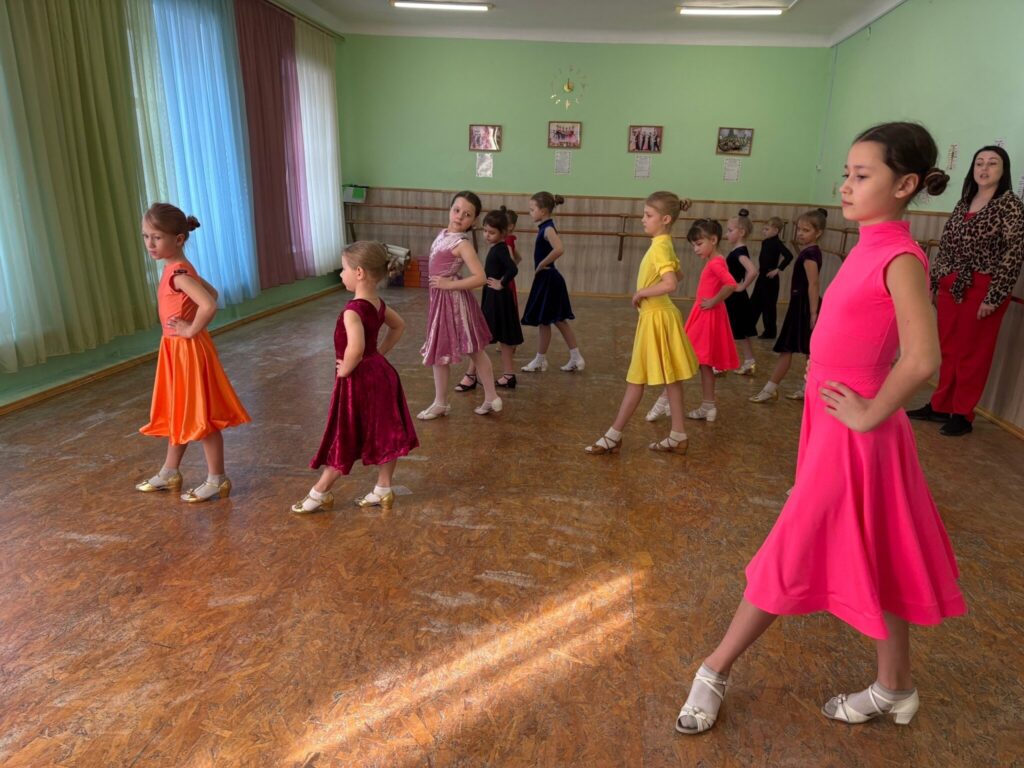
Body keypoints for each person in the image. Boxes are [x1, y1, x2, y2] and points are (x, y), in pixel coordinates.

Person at [675, 122, 965, 735]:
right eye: (846, 174)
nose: (845, 185)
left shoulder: (901, 258)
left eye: (862, 175)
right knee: (881, 555)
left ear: (905, 185)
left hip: (859, 434)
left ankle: (714, 669)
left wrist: (867, 412)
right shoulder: (866, 245)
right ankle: (895, 687)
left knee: (789, 546)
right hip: (832, 424)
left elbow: (923, 359)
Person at [291, 242, 419, 514]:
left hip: (360, 381)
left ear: (359, 272)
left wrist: (346, 369)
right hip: (382, 375)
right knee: (387, 432)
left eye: (343, 269)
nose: (341, 274)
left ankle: (320, 492)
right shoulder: (378, 304)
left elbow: (356, 348)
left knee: (345, 433)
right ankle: (383, 488)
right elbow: (399, 326)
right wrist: (379, 354)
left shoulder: (352, 310)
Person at [906, 145, 1024, 436]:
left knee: (973, 354)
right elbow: (946, 246)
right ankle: (940, 405)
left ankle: (962, 413)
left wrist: (995, 296)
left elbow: (1013, 253)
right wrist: (935, 283)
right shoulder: (964, 202)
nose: (984, 169)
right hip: (951, 284)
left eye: (992, 163)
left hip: (983, 287)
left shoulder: (1010, 204)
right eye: (979, 163)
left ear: (1003, 170)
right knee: (947, 348)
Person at [136, 203, 250, 503]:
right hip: (176, 350)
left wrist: (189, 329)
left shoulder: (178, 274)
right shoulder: (176, 269)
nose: (150, 244)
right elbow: (211, 292)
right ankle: (170, 471)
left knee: (201, 415)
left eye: (157, 237)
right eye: (146, 236)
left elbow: (209, 304)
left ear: (179, 239)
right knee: (180, 411)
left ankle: (217, 479)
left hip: (186, 350)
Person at [584, 192, 698, 455]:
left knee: (637, 378)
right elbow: (678, 273)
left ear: (665, 219)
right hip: (658, 316)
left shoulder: (659, 246)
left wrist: (641, 292)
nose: (643, 219)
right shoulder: (663, 243)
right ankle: (678, 434)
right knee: (671, 379)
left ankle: (613, 435)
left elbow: (671, 283)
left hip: (657, 317)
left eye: (648, 215)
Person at [418, 191, 503, 419]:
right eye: (457, 210)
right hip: (441, 300)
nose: (460, 217)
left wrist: (448, 284)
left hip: (453, 303)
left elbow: (480, 277)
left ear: (473, 221)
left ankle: (443, 402)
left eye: (467, 215)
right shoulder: (443, 234)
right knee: (467, 349)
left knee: (454, 350)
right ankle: (487, 397)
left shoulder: (462, 243)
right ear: (450, 209)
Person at [748, 209, 824, 403]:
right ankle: (803, 387)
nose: (800, 233)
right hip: (800, 304)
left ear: (818, 233)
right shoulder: (808, 251)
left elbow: (814, 284)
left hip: (803, 307)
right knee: (805, 349)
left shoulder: (810, 254)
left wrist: (813, 312)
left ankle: (771, 388)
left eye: (806, 230)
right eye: (799, 229)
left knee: (789, 348)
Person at [520, 192, 585, 373]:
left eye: (532, 209)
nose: (530, 213)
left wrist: (542, 263)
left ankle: (574, 357)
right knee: (546, 321)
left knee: (557, 320)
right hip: (546, 279)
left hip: (549, 279)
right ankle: (543, 359)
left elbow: (559, 249)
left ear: (543, 211)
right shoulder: (544, 227)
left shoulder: (548, 229)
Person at [681, 219, 738, 423]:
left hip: (706, 317)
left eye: (699, 244)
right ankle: (708, 406)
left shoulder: (715, 262)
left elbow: (731, 284)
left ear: (713, 240)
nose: (695, 249)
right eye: (693, 245)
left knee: (685, 356)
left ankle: (666, 400)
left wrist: (713, 301)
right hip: (705, 314)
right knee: (704, 364)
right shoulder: (715, 260)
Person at [723, 208, 759, 375]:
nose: (727, 234)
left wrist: (741, 286)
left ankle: (721, 364)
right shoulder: (738, 250)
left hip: (734, 297)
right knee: (740, 332)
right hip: (735, 296)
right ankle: (750, 361)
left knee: (729, 330)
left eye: (730, 230)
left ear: (741, 232)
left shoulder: (739, 252)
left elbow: (753, 271)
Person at [749, 216, 794, 339]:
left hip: (770, 279)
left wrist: (778, 269)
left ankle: (770, 332)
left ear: (776, 231)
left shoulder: (777, 243)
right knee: (755, 302)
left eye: (767, 229)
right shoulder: (765, 242)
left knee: (768, 306)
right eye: (764, 229)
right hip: (762, 277)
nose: (764, 231)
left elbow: (789, 256)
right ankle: (749, 327)